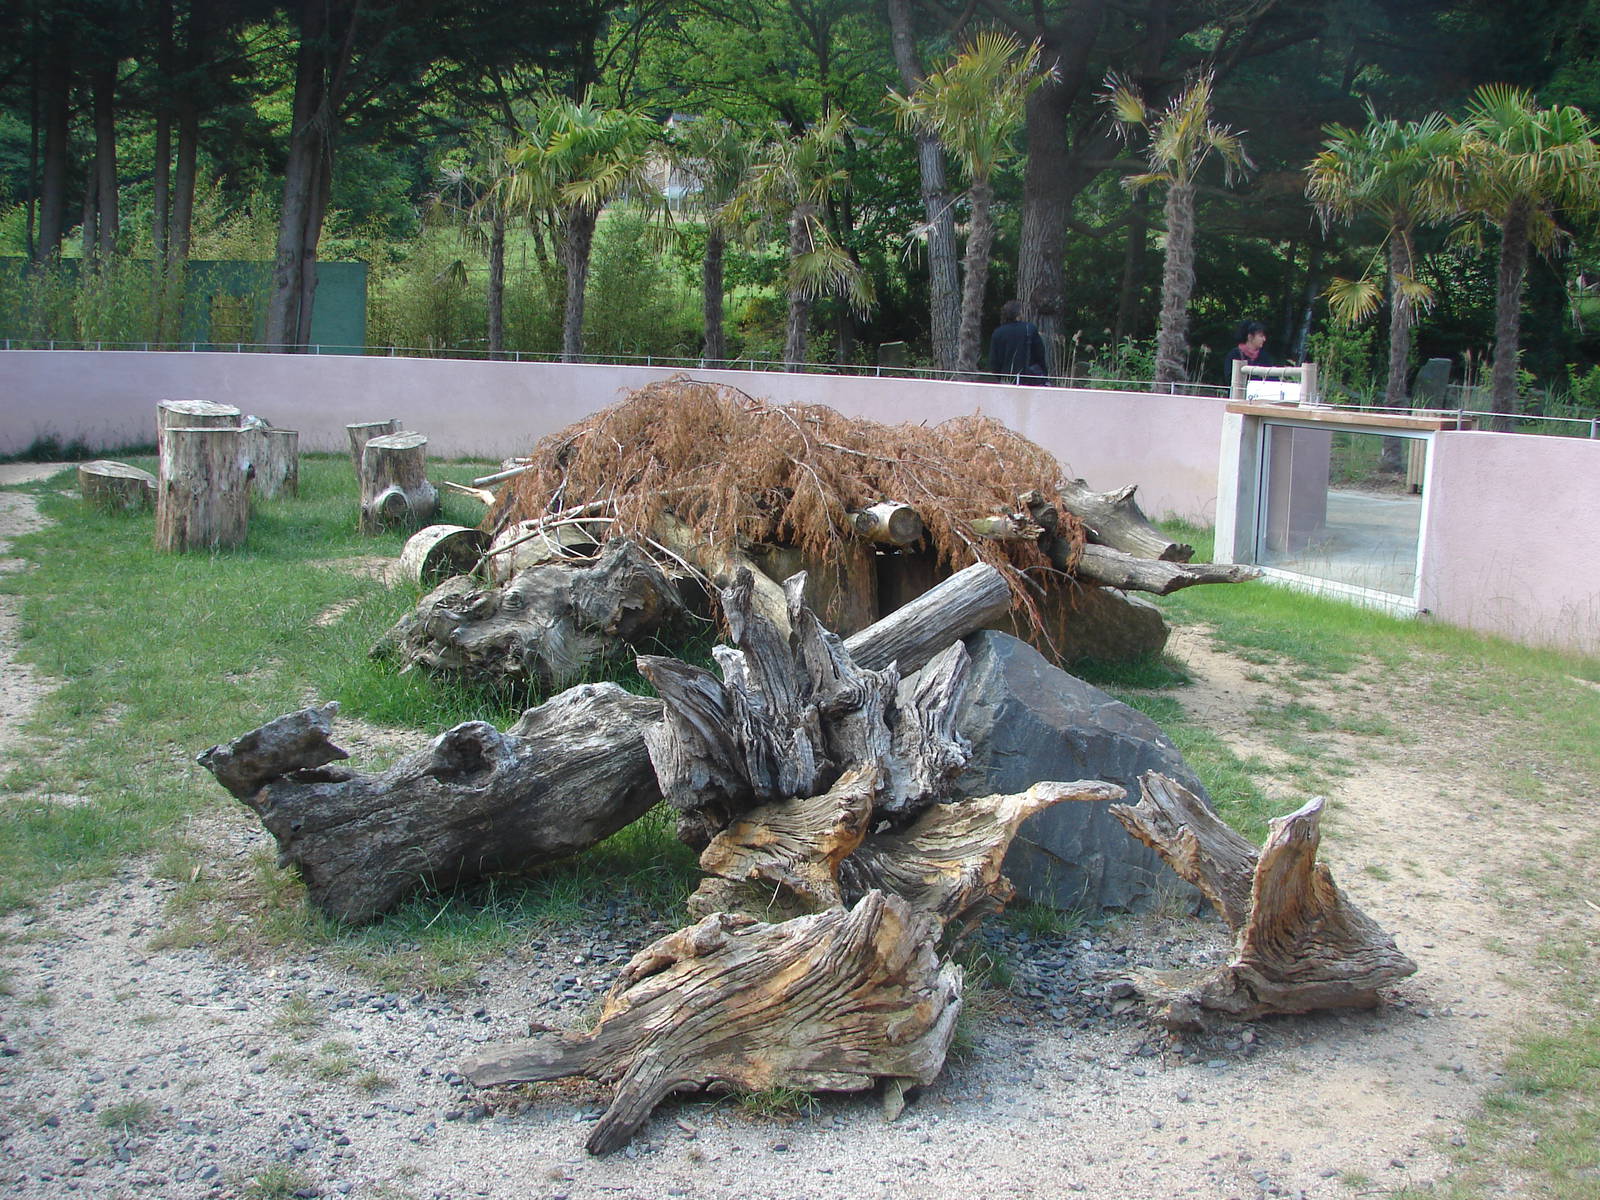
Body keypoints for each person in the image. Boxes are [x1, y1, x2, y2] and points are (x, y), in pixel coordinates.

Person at [988, 299, 1048, 384]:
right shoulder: (1030, 329)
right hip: (1029, 379)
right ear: (1019, 314)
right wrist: (1044, 375)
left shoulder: (998, 333)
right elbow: (1040, 355)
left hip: (1007, 379)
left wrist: (1001, 376)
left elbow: (994, 362)